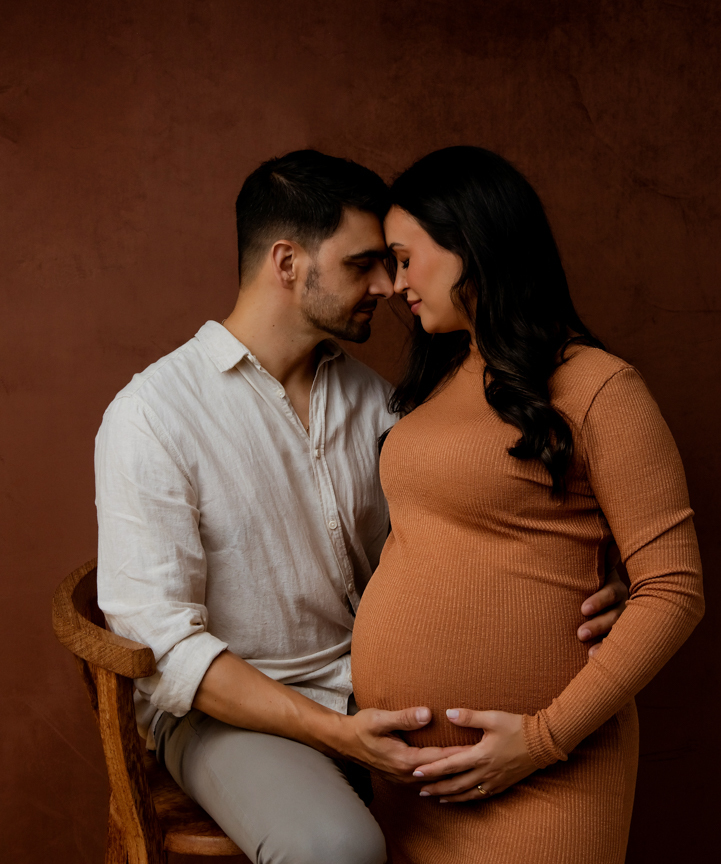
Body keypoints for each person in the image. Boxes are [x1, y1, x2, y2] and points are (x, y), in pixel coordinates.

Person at [96, 149, 630, 864]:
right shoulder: (153, 415)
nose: (388, 285)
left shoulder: (381, 402)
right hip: (234, 716)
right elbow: (164, 648)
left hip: (374, 700)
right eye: (363, 264)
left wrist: (600, 576)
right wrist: (336, 733)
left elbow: (477, 526)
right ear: (287, 263)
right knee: (334, 849)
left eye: (391, 262)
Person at [350, 145, 705, 864]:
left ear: (470, 244)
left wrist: (541, 740)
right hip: (408, 789)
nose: (394, 283)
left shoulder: (599, 387)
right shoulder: (438, 384)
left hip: (550, 776)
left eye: (405, 258)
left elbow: (674, 589)